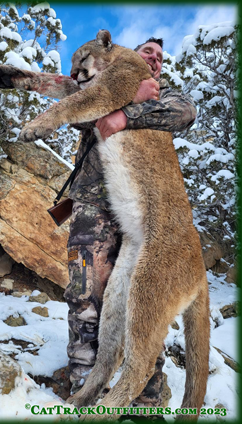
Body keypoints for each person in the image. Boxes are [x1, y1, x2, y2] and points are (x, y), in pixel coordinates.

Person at [63, 37, 197, 410]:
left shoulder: (162, 95)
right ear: (123, 55)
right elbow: (77, 105)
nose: (153, 59)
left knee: (144, 303)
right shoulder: (99, 83)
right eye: (146, 52)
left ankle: (144, 394)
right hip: (94, 208)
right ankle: (84, 383)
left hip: (144, 209)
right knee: (85, 294)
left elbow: (185, 113)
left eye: (159, 57)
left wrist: (130, 110)